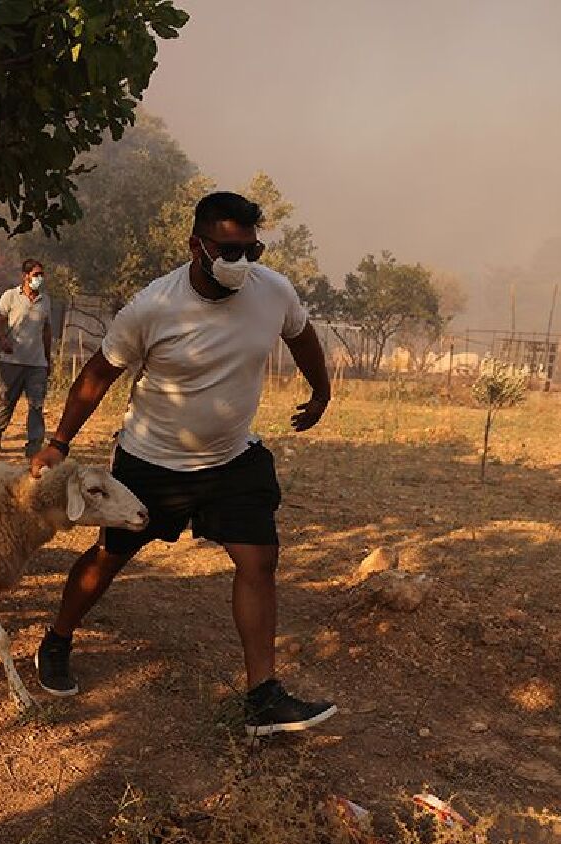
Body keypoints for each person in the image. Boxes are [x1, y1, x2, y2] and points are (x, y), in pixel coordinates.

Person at [29, 191, 337, 737]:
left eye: (251, 250)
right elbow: (98, 375)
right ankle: (57, 639)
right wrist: (58, 442)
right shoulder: (154, 307)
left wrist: (321, 393)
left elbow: (303, 337)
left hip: (231, 459)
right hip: (152, 461)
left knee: (259, 560)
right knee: (107, 558)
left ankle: (263, 696)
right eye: (228, 249)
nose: (240, 262)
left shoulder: (273, 291)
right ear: (197, 245)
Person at [0, 259, 52, 458]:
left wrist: (48, 358)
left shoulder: (45, 301)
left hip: (37, 363)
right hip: (13, 361)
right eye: (36, 275)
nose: (39, 279)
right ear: (25, 276)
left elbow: (47, 331)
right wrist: (3, 339)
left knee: (36, 405)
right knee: (6, 400)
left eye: (41, 275)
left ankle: (34, 446)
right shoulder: (11, 296)